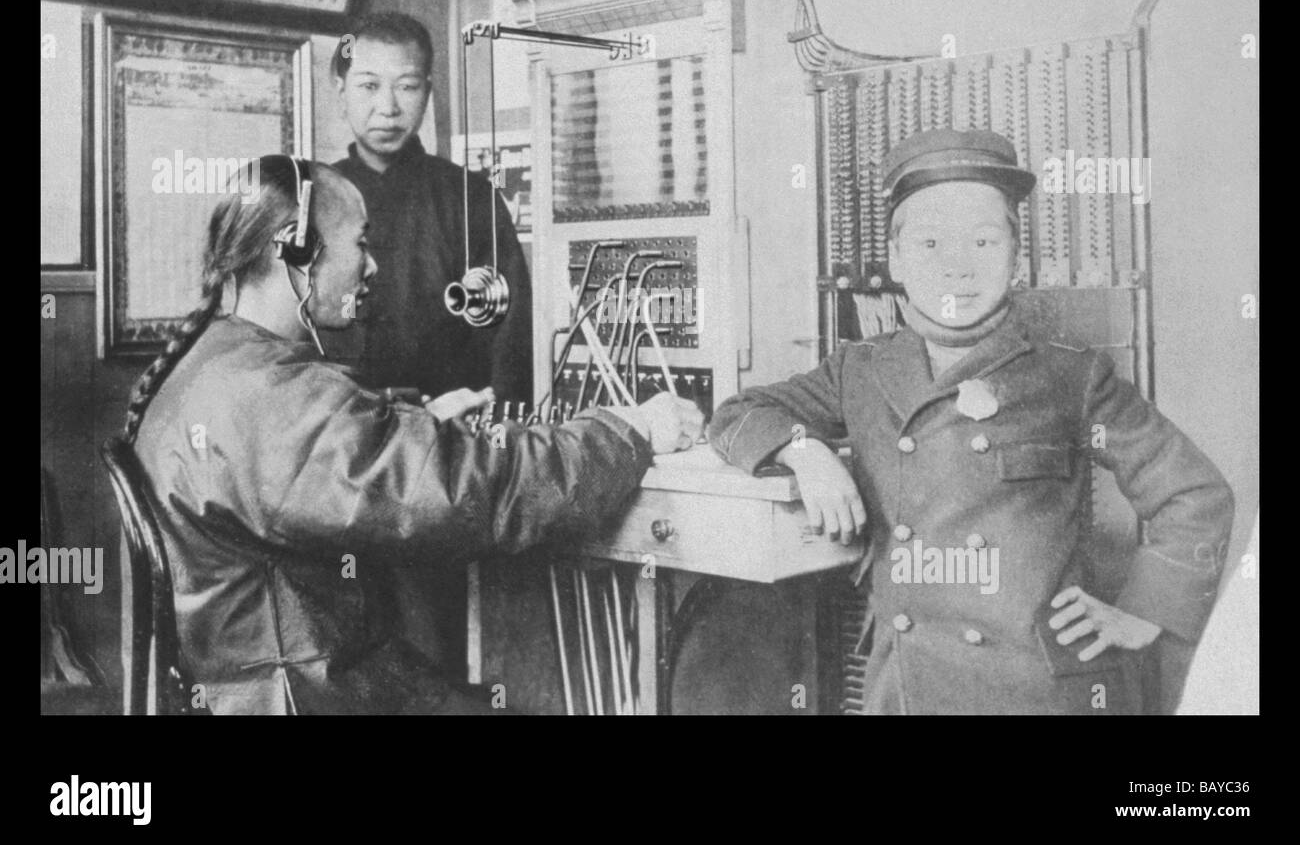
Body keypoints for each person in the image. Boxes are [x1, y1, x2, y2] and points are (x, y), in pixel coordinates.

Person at [125, 157, 701, 714]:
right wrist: (628, 431)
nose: (372, 267)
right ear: (296, 253)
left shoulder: (214, 363)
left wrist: (417, 422)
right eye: (361, 243)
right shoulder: (274, 396)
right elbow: (475, 493)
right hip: (315, 697)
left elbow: (325, 458)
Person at [708, 128, 1234, 715]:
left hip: (1038, 692)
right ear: (897, 258)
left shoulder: (1071, 376)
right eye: (931, 244)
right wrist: (804, 450)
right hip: (908, 691)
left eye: (984, 242)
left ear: (1016, 255)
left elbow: (1193, 493)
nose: (958, 267)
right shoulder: (859, 371)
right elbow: (737, 414)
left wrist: (1146, 610)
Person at [328, 11, 532, 406]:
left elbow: (513, 338)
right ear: (341, 92)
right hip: (341, 433)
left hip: (455, 432)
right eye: (368, 86)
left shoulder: (472, 198)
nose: (387, 107)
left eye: (406, 87)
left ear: (428, 90)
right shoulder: (314, 197)